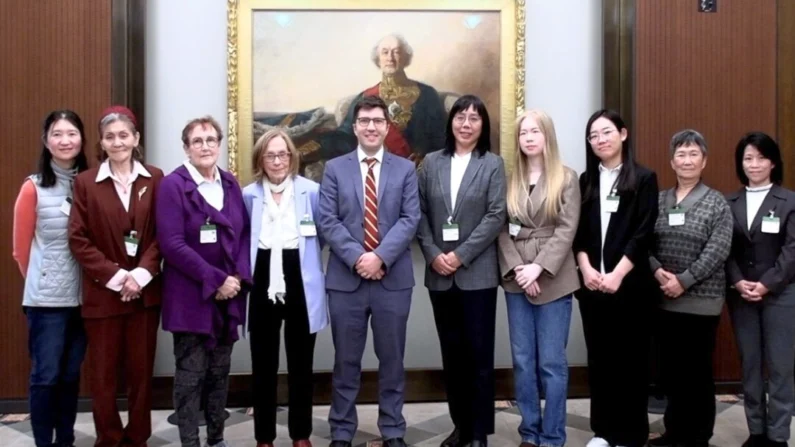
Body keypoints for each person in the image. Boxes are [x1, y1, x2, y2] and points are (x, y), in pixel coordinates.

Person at [317, 95, 420, 447]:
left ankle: (392, 430)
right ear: (355, 127)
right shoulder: (334, 168)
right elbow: (327, 220)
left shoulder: (405, 169)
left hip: (393, 281)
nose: (371, 127)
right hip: (346, 282)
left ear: (387, 126)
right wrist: (359, 257)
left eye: (377, 121)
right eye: (364, 121)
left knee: (392, 362)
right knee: (346, 363)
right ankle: (342, 432)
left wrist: (379, 257)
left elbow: (410, 219)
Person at [68, 106, 163, 447]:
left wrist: (139, 276)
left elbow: (162, 236)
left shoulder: (155, 178)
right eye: (110, 137)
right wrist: (118, 277)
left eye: (124, 135)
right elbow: (78, 239)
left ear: (136, 139)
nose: (118, 141)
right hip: (103, 296)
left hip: (145, 295)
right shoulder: (85, 184)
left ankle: (138, 438)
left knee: (140, 375)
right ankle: (108, 438)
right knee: (103, 377)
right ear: (101, 142)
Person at [415, 95, 505, 447]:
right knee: (452, 357)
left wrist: (461, 255)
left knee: (479, 356)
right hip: (439, 275)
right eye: (460, 116)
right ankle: (460, 427)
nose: (466, 124)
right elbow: (418, 213)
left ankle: (479, 431)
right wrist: (435, 253)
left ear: (483, 126)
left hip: (477, 275)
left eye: (474, 118)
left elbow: (496, 215)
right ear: (450, 121)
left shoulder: (493, 164)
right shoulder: (431, 163)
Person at [156, 116, 252, 447]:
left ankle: (216, 439)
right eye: (197, 141)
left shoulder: (229, 183)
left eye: (211, 140)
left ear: (220, 144)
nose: (205, 146)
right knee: (190, 375)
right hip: (191, 297)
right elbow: (172, 244)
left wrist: (237, 276)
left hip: (229, 296)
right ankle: (190, 442)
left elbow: (243, 234)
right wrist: (217, 280)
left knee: (218, 373)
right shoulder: (172, 185)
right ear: (186, 147)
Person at [573, 109, 659, 447]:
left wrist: (618, 274)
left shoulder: (644, 178)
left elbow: (644, 232)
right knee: (601, 360)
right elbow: (577, 233)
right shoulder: (586, 180)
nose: (599, 140)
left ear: (623, 134)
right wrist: (587, 269)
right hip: (593, 286)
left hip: (630, 287)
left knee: (631, 362)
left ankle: (631, 434)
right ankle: (603, 431)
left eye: (606, 132)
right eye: (593, 135)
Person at [497, 110, 581, 447]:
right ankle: (529, 433)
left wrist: (538, 268)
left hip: (554, 278)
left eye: (535, 131)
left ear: (548, 135)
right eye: (523, 133)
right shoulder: (510, 179)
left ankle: (552, 436)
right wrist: (520, 268)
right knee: (522, 361)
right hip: (516, 280)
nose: (529, 138)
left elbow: (567, 229)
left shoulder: (567, 177)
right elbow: (501, 229)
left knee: (551, 363)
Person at [242, 128, 328, 447]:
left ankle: (300, 434)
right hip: (262, 278)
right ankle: (264, 436)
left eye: (283, 154)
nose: (277, 161)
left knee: (301, 364)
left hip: (300, 279)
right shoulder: (248, 195)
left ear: (292, 157)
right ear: (260, 160)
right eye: (270, 155)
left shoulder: (311, 191)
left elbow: (322, 235)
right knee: (263, 364)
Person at [647, 130, 732, 447]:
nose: (687, 160)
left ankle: (698, 436)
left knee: (696, 373)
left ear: (704, 160)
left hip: (701, 302)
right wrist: (658, 273)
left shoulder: (716, 203)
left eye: (693, 153)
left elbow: (718, 249)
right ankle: (675, 432)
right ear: (672, 161)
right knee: (671, 372)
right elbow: (644, 241)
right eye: (680, 154)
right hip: (664, 300)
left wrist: (684, 280)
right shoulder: (659, 200)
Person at [13, 110, 89, 447]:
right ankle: (44, 442)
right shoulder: (33, 188)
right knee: (46, 377)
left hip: (85, 299)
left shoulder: (90, 181)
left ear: (82, 139)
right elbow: (20, 251)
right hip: (46, 302)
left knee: (71, 376)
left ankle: (66, 440)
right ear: (46, 141)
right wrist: (44, 282)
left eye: (71, 133)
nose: (65, 140)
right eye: (57, 134)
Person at [725, 132, 795, 447]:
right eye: (748, 158)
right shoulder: (730, 202)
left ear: (773, 162)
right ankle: (756, 431)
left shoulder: (789, 200)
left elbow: (792, 251)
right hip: (741, 296)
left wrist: (767, 284)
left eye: (761, 157)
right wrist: (739, 281)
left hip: (781, 296)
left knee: (781, 368)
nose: (754, 164)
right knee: (750, 365)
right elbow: (724, 249)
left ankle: (778, 436)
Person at [310, 34, 447, 163]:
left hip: (415, 170)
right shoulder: (364, 98)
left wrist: (424, 156)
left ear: (405, 58)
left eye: (396, 52)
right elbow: (346, 136)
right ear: (378, 59)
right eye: (385, 52)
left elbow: (441, 137)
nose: (390, 58)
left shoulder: (427, 94)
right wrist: (312, 146)